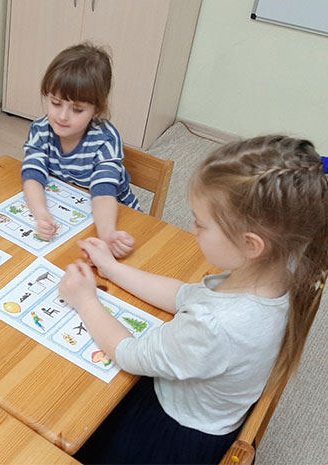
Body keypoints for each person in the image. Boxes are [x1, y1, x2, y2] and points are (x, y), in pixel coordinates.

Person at [58, 135, 328, 464]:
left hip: (168, 436)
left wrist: (85, 300)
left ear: (251, 245)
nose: (193, 228)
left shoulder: (214, 324)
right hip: (206, 414)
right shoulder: (278, 276)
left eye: (201, 223)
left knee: (69, 420)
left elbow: (130, 354)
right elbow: (183, 294)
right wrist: (112, 269)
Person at [21, 43, 139, 258]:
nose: (62, 116)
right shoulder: (40, 129)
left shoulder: (105, 139)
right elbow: (32, 176)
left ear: (97, 110)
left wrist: (107, 234)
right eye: (56, 103)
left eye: (77, 109)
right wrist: (41, 214)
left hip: (115, 216)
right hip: (71, 210)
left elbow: (103, 194)